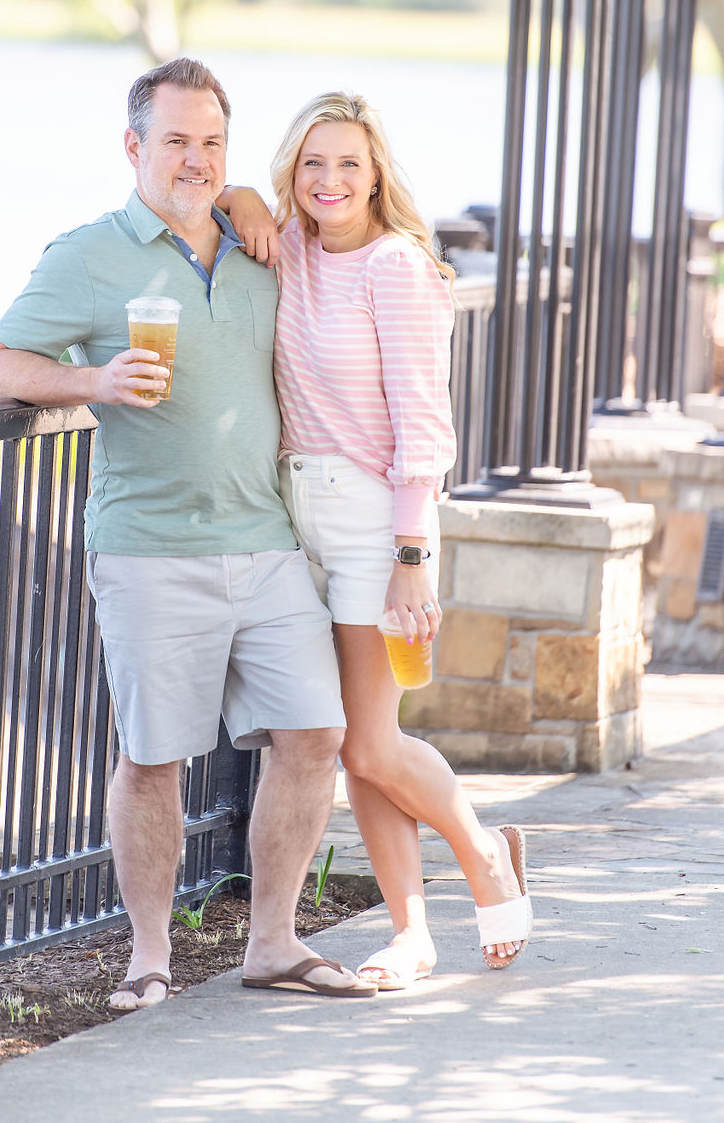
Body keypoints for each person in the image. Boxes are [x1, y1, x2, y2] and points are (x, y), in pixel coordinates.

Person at [0, 58, 377, 1010]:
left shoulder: (261, 242)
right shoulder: (87, 255)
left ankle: (273, 943)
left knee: (316, 734)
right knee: (154, 758)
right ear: (132, 146)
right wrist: (98, 383)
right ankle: (148, 957)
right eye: (175, 141)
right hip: (150, 547)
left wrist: (245, 198)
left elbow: (339, 227)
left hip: (268, 538)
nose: (195, 161)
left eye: (212, 144)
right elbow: (1, 364)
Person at [221, 92, 533, 989]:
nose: (329, 180)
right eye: (313, 163)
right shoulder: (290, 249)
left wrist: (411, 559)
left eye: (348, 164)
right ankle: (410, 934)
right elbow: (220, 198)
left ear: (377, 174)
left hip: (375, 525)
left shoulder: (397, 269)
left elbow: (422, 431)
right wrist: (241, 194)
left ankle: (482, 855)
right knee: (349, 737)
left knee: (370, 745)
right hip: (291, 518)